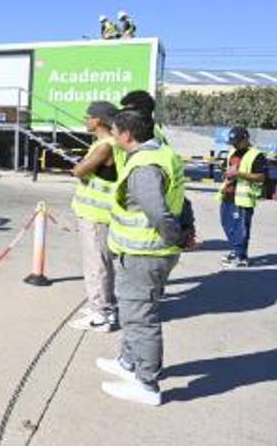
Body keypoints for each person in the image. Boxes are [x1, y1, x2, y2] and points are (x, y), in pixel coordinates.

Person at [97, 110, 194, 406]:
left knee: (140, 317)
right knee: (133, 309)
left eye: (114, 132)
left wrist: (178, 237)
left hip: (145, 253)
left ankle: (147, 384)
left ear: (127, 134)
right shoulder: (164, 153)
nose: (112, 138)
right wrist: (187, 229)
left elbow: (158, 212)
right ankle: (129, 362)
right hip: (152, 252)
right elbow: (182, 199)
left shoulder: (144, 165)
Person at [69, 101, 120, 332]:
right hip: (93, 214)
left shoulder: (106, 146)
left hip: (97, 216)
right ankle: (98, 306)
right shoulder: (106, 144)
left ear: (98, 120)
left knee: (97, 265)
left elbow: (79, 170)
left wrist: (80, 168)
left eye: (88, 116)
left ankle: (103, 314)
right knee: (96, 264)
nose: (85, 120)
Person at [217, 126, 267, 268]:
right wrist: (225, 173)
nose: (234, 145)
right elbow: (225, 168)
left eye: (237, 142)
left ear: (246, 139)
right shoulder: (232, 152)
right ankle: (235, 250)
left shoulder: (256, 155)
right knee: (227, 224)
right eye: (232, 142)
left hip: (243, 198)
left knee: (241, 228)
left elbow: (261, 177)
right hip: (227, 195)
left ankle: (241, 257)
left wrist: (238, 174)